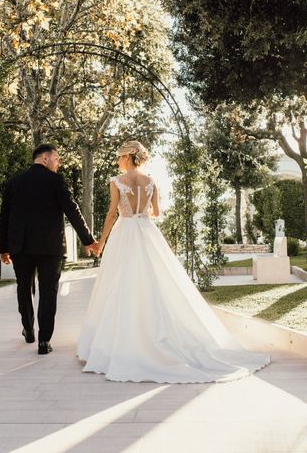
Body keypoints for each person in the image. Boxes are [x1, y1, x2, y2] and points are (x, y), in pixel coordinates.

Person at [77, 140, 269, 383]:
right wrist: (142, 210)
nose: (117, 161)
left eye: (119, 157)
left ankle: (120, 342)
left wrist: (101, 242)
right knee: (156, 281)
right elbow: (156, 212)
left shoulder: (117, 181)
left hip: (124, 232)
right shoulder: (151, 182)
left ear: (127, 158)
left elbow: (112, 212)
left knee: (120, 282)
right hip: (146, 232)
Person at [0, 144, 100, 355]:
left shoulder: (14, 182)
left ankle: (28, 328)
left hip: (21, 246)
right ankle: (44, 340)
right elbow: (72, 210)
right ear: (45, 159)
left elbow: (4, 217)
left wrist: (3, 247)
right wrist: (88, 240)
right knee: (48, 292)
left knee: (24, 288)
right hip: (50, 247)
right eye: (56, 159)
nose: (58, 163)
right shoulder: (56, 181)